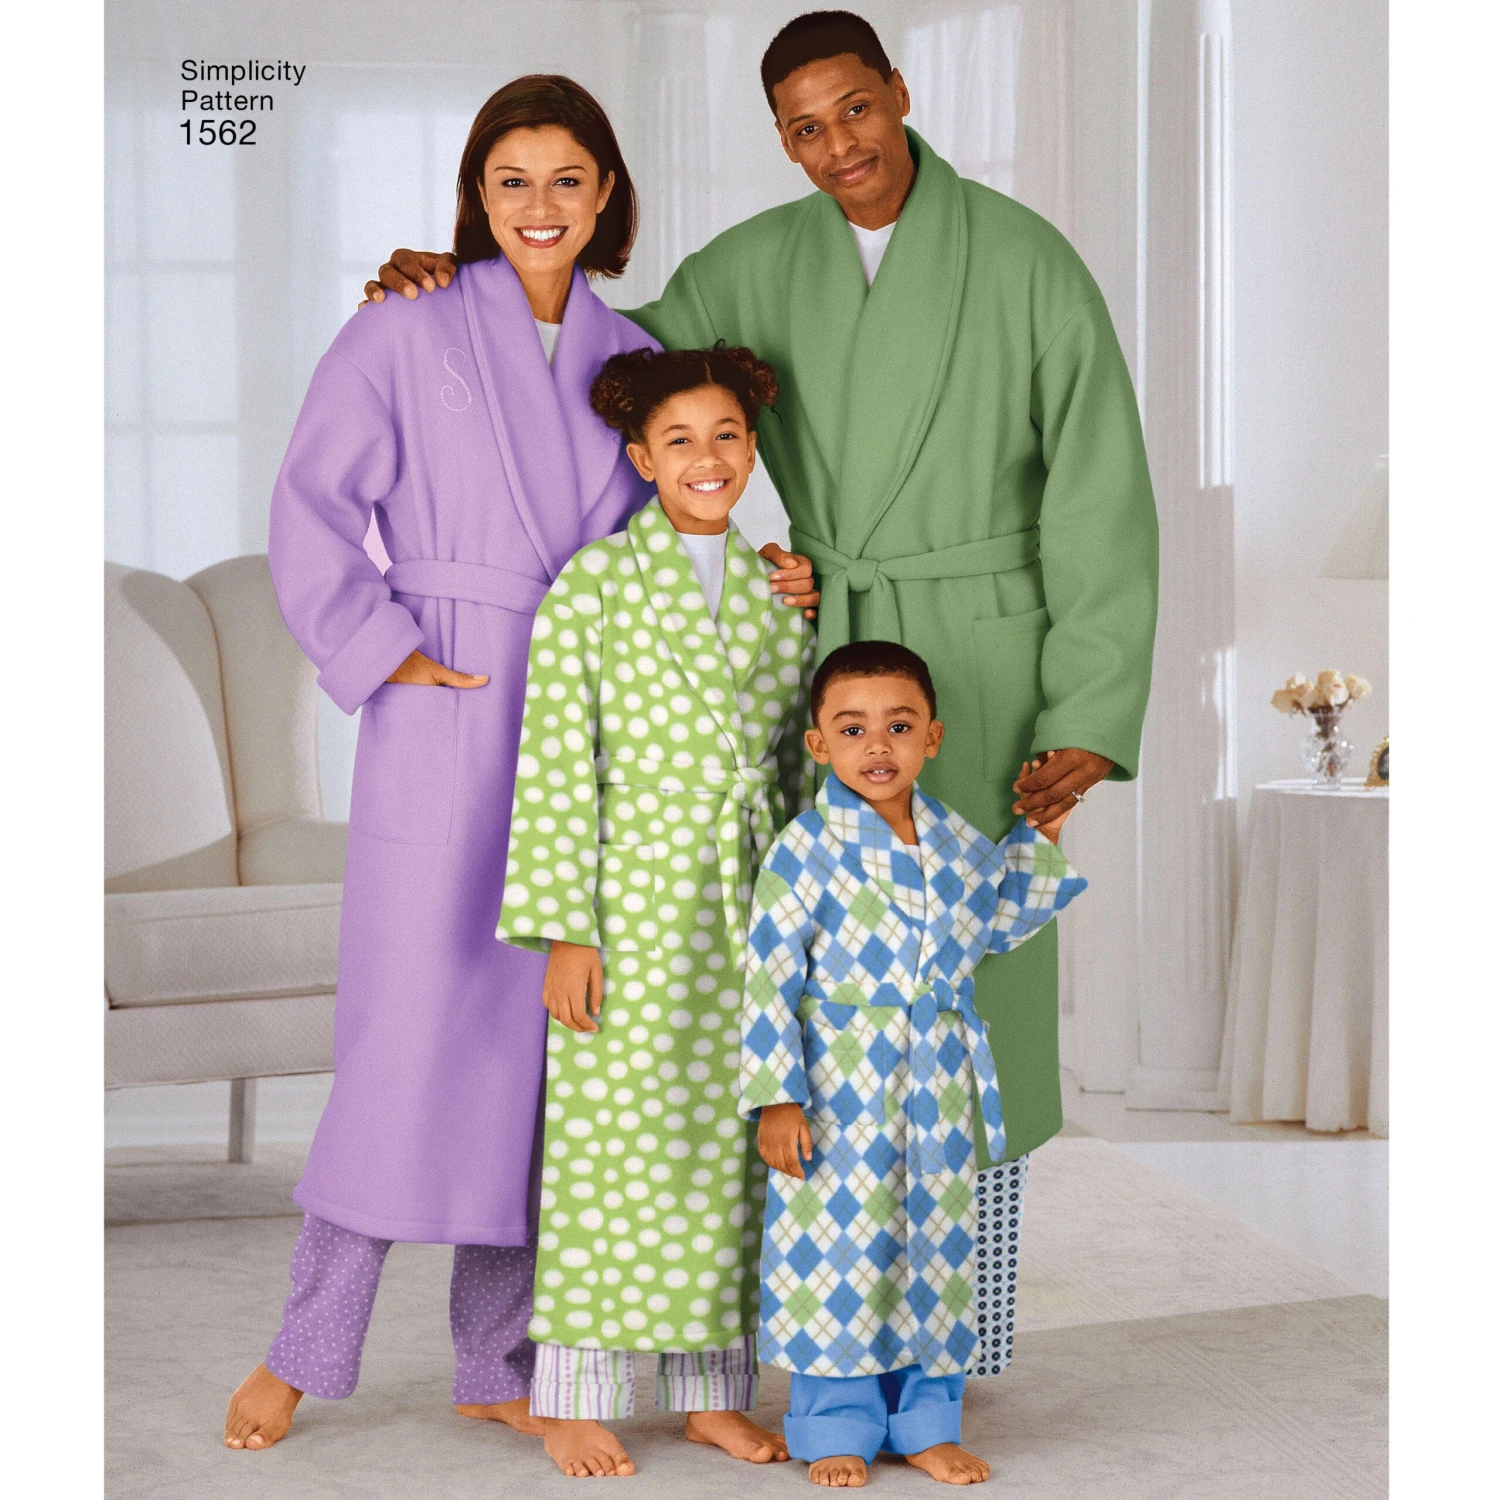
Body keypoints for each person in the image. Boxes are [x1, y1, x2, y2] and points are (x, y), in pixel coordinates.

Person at [364, 9, 1157, 1383]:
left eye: (855, 109)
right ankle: (817, 1324)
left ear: (898, 93)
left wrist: (1085, 710)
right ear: (781, 140)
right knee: (811, 972)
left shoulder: (1028, 262)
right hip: (823, 646)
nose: (837, 145)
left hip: (982, 659)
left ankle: (963, 1335)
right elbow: (608, 364)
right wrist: (469, 290)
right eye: (803, 127)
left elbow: (1100, 491)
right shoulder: (759, 264)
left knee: (963, 975)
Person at [224, 77, 818, 1453]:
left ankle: (497, 1361)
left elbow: (683, 505)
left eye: (567, 179)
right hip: (454, 712)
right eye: (511, 180)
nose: (539, 206)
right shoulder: (403, 327)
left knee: (547, 1072)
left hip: (597, 737)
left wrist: (773, 577)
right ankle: (302, 1350)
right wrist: (384, 648)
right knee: (403, 1053)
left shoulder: (634, 356)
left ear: (607, 193)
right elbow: (311, 505)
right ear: (475, 196)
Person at [497, 344, 814, 1477]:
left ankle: (712, 1393)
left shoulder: (783, 593)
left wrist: (810, 911)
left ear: (753, 451)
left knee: (728, 1145)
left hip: (748, 896)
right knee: (610, 1142)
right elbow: (555, 763)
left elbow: (798, 760)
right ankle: (574, 1393)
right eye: (679, 441)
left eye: (726, 436)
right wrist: (566, 929)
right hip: (630, 898)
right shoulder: (592, 586)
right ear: (641, 459)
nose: (706, 458)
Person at [739, 641, 1085, 1487]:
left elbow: (995, 922)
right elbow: (770, 976)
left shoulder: (954, 837)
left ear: (932, 736)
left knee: (935, 1244)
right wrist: (778, 1098)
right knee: (841, 1251)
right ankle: (836, 1424)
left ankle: (927, 1421)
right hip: (840, 1080)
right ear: (819, 743)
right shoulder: (803, 847)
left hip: (936, 1074)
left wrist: (1044, 833)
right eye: (852, 728)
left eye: (899, 727)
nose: (877, 746)